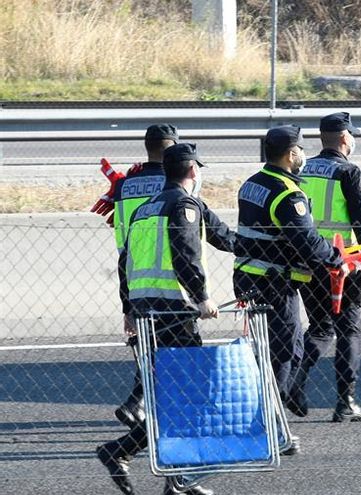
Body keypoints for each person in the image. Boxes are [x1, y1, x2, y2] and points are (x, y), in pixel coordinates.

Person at [96, 143, 236, 495]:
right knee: (190, 393)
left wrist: (128, 308)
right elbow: (185, 254)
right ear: (192, 171)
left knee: (172, 396)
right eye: (199, 169)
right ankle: (129, 455)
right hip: (173, 310)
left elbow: (124, 261)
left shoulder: (146, 208)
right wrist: (202, 298)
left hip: (146, 310)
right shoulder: (184, 206)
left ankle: (168, 475)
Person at [232, 125, 345, 429]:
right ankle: (272, 425)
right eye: (302, 150)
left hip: (249, 277)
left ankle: (267, 419)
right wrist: (337, 259)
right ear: (291, 153)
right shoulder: (287, 193)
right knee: (286, 352)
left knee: (268, 352)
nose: (304, 156)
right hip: (273, 282)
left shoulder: (251, 184)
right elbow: (306, 240)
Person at [291, 112, 361, 422]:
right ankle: (345, 401)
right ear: (345, 138)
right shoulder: (350, 173)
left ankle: (294, 378)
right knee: (349, 330)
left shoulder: (303, 170)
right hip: (341, 267)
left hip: (306, 262)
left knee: (320, 327)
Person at [111, 124, 178, 430]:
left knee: (149, 344)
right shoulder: (172, 182)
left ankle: (140, 405)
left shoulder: (125, 185)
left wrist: (125, 303)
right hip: (168, 273)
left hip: (133, 272)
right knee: (171, 348)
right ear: (171, 148)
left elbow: (122, 237)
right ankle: (139, 404)